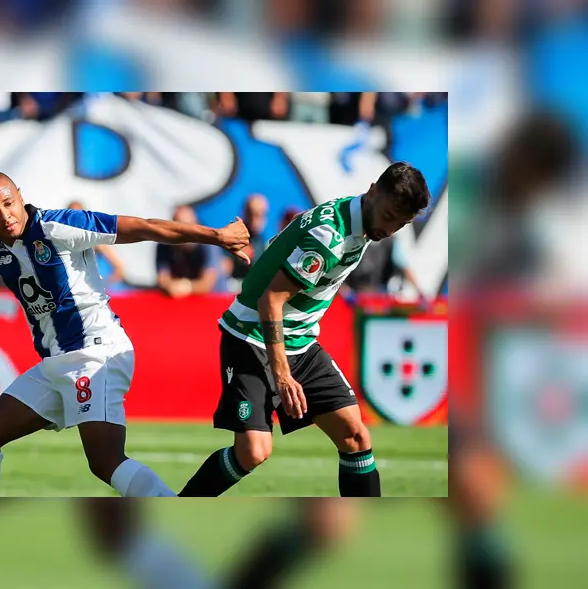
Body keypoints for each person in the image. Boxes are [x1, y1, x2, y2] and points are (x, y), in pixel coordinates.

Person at [0, 170, 250, 497]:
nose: (5, 215)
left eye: (9, 203)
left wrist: (215, 235)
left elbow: (147, 226)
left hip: (96, 355)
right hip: (54, 367)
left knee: (105, 461)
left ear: (21, 196)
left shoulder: (59, 226)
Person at [180, 161, 431, 497]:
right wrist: (283, 376)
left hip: (300, 340)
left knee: (355, 436)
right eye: (388, 217)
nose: (390, 229)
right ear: (372, 191)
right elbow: (271, 301)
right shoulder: (330, 236)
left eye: (401, 224)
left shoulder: (361, 219)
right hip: (252, 336)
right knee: (253, 452)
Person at [156, 205, 224, 298]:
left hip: (215, 301)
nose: (185, 232)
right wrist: (172, 287)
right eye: (179, 227)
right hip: (180, 303)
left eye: (188, 226)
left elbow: (207, 284)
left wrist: (185, 287)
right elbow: (163, 280)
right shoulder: (164, 246)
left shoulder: (209, 245)